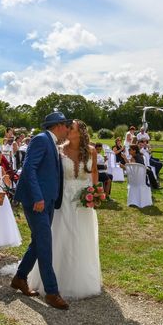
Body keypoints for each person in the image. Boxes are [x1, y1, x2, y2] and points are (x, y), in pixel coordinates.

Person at [29, 119, 102, 300]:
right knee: (62, 236)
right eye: (67, 127)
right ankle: (57, 280)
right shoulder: (59, 150)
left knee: (82, 238)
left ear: (80, 132)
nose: (67, 129)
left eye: (72, 127)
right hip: (64, 200)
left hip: (84, 202)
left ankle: (83, 278)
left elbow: (93, 172)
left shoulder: (91, 151)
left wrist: (95, 192)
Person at [10, 111, 71, 310]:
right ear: (59, 125)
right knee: (45, 244)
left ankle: (20, 277)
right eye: (66, 125)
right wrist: (37, 197)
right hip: (37, 202)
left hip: (47, 201)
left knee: (38, 242)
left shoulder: (50, 141)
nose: (68, 130)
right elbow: (29, 169)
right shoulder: (41, 139)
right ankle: (52, 292)